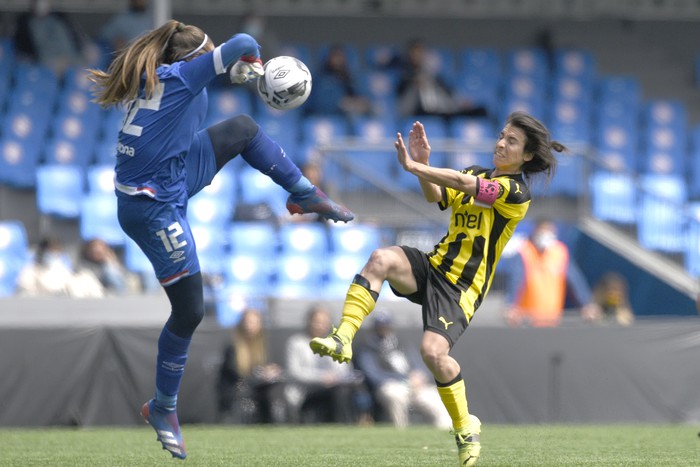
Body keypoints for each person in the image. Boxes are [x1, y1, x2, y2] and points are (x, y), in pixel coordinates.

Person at [87, 20, 353, 460]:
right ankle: (163, 407)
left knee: (244, 127)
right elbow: (246, 42)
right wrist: (248, 59)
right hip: (151, 205)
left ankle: (306, 194)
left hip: (171, 171)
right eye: (209, 54)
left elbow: (224, 62)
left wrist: (238, 67)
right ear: (195, 60)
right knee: (190, 310)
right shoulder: (181, 77)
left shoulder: (168, 78)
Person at [310, 111, 563, 466]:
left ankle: (464, 425)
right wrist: (426, 164)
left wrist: (416, 167)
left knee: (433, 353)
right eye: (502, 135)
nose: (501, 143)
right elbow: (439, 197)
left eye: (512, 141)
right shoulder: (478, 172)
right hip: (434, 266)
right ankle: (343, 337)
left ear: (527, 156)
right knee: (381, 258)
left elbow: (463, 185)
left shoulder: (515, 193)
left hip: (461, 288)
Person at [355, 310, 451, 428]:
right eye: (380, 326)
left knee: (434, 397)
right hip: (390, 385)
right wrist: (404, 379)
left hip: (414, 386)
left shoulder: (401, 343)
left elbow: (419, 364)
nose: (384, 329)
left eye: (386, 326)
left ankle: (446, 433)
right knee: (395, 395)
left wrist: (420, 376)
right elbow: (373, 374)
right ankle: (401, 433)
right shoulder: (367, 347)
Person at [504, 219, 599, 328]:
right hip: (527, 320)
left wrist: (586, 304)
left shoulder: (559, 252)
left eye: (550, 232)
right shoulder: (524, 252)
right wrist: (511, 305)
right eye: (543, 232)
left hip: (553, 319)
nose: (547, 236)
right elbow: (516, 280)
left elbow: (575, 279)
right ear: (535, 231)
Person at [285, 304, 370, 424]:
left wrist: (336, 377)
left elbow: (345, 370)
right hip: (306, 392)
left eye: (324, 322)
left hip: (334, 389)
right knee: (341, 392)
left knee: (344, 391)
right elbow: (295, 372)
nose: (320, 325)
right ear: (309, 321)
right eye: (317, 321)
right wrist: (322, 378)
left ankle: (348, 426)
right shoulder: (296, 343)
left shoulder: (336, 342)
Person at [217, 307, 288, 425]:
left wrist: (270, 370)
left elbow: (267, 366)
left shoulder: (264, 345)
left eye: (254, 322)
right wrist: (258, 373)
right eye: (247, 322)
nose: (250, 326)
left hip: (260, 385)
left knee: (274, 391)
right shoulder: (233, 346)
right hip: (238, 386)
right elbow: (235, 372)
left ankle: (275, 425)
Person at [394, 38, 487, 121]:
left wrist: (461, 103)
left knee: (481, 111)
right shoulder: (405, 78)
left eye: (421, 52)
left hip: (442, 112)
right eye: (415, 53)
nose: (418, 56)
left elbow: (450, 95)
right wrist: (415, 85)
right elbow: (404, 108)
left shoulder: (436, 77)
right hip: (421, 114)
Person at [13, 0, 93, 77]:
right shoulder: (25, 24)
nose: (42, 5)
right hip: (45, 64)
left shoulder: (60, 20)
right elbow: (30, 53)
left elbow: (71, 46)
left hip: (68, 61)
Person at [16, 236, 104, 298]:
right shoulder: (30, 273)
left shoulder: (79, 277)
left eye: (57, 252)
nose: (55, 255)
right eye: (51, 251)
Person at [306, 44, 372, 121]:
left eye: (341, 56)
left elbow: (360, 97)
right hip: (324, 118)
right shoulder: (320, 79)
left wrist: (360, 104)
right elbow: (318, 103)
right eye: (335, 57)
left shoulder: (349, 78)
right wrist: (342, 103)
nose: (339, 60)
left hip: (347, 120)